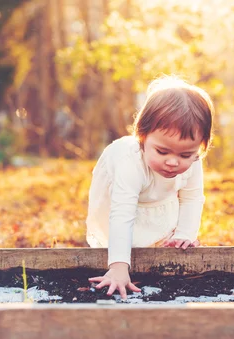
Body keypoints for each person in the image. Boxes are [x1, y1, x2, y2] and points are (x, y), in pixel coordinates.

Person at [85, 75, 214, 300]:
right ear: (142, 136)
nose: (173, 162)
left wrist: (185, 234)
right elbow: (122, 212)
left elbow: (192, 197)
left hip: (158, 197)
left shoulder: (193, 160)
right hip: (121, 197)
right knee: (124, 229)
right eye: (162, 152)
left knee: (161, 224)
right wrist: (118, 268)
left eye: (185, 154)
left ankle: (155, 244)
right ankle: (121, 257)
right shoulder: (130, 162)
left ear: (200, 146)